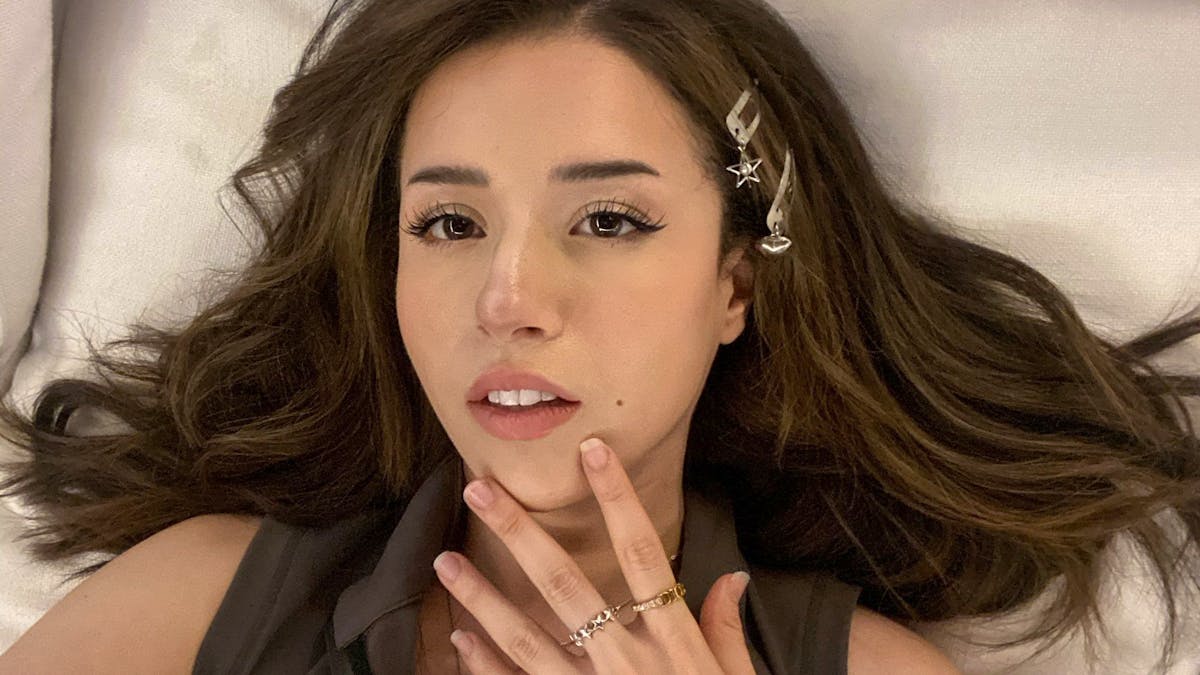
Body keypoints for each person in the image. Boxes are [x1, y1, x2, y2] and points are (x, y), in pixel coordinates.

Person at [2, 0, 1198, 672]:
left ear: (736, 286)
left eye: (611, 219)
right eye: (451, 223)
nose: (509, 298)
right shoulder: (203, 601)